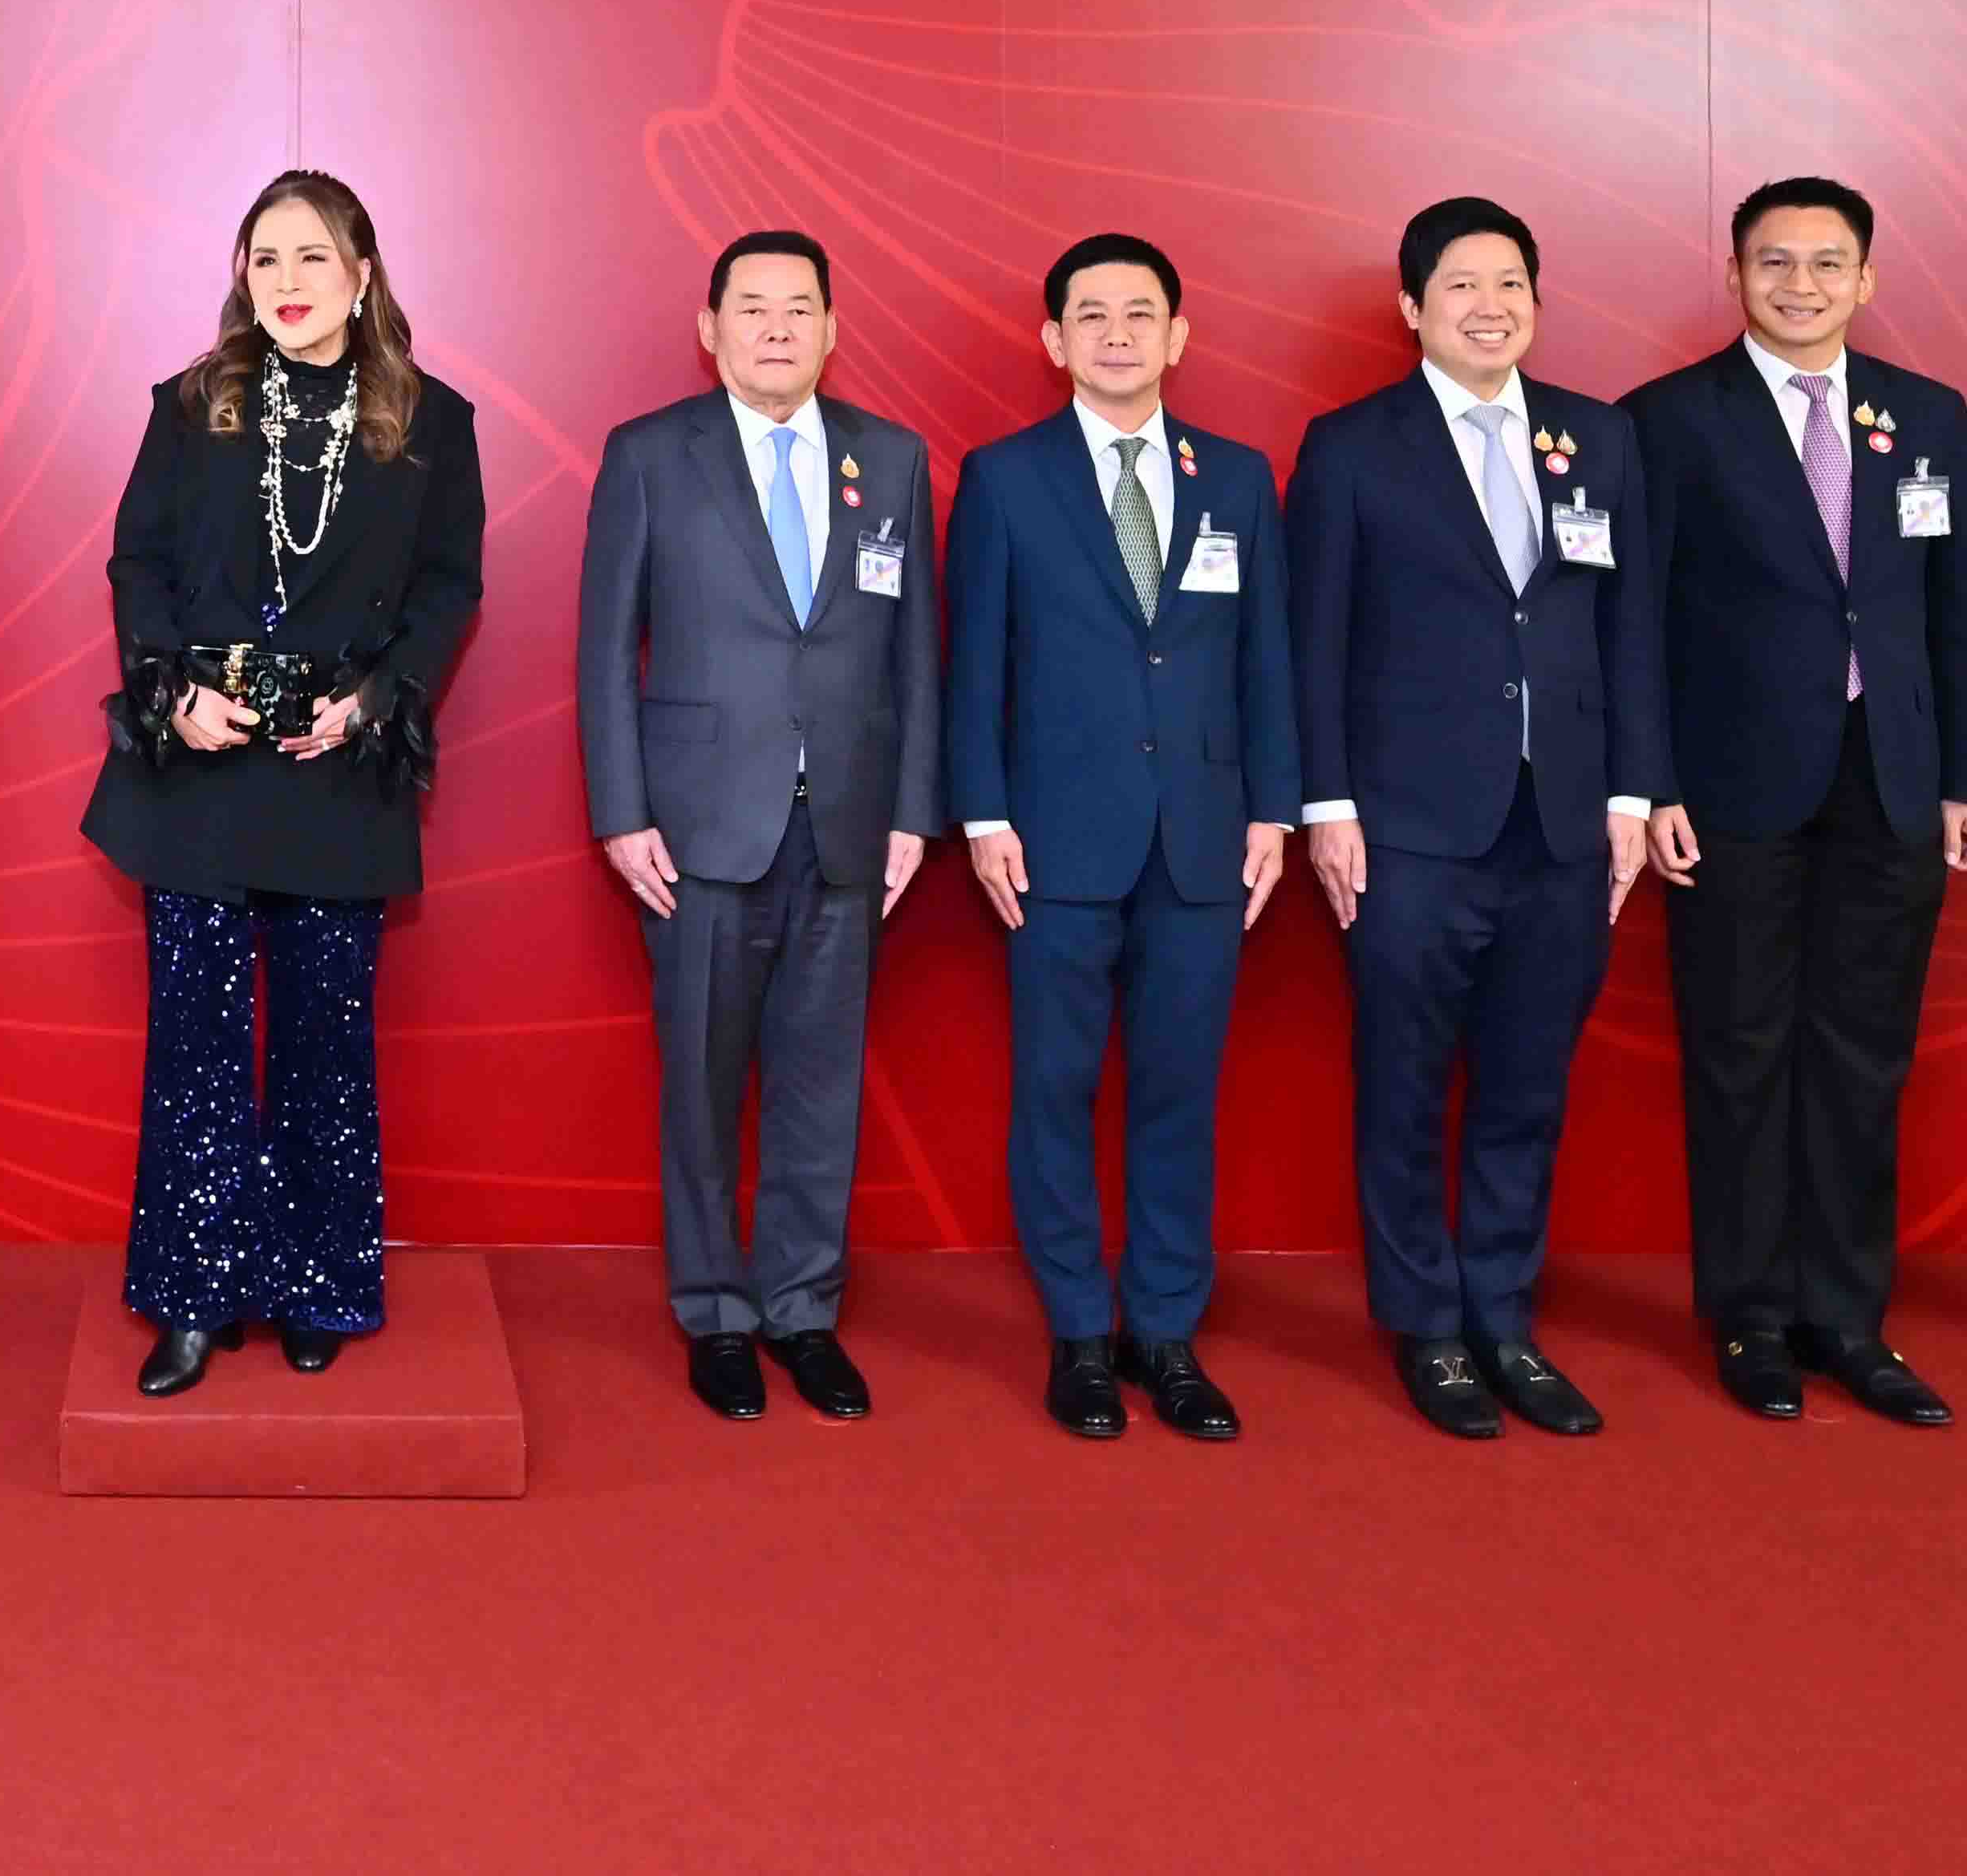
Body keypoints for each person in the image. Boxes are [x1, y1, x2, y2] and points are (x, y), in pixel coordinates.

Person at [87, 169, 487, 1397]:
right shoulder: (190, 405)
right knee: (197, 1045)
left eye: (314, 257)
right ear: (242, 277)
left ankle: (317, 1285)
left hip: (336, 768)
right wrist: (170, 689)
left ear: (362, 276)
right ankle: (196, 1297)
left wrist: (379, 700)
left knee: (324, 1041)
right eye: (267, 258)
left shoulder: (430, 419)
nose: (290, 281)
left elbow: (449, 588)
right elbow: (138, 563)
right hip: (203, 763)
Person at [1624, 178, 1967, 1430]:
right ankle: (1749, 1315)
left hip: (1892, 779)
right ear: (1735, 274)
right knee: (1738, 1051)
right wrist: (1651, 784)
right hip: (1730, 784)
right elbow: (1635, 625)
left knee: (1863, 1054)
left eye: (1827, 263)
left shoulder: (1926, 413)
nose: (1802, 284)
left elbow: (1958, 608)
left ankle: (1846, 1317)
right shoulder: (1670, 419)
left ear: (1866, 279)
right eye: (1775, 262)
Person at [1288, 194, 1668, 1440]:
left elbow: (1630, 629)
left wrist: (1629, 793)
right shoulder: (1352, 446)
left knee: (1527, 1086)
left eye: (1510, 283)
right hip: (1407, 826)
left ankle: (1503, 1316)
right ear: (1413, 308)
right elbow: (1314, 637)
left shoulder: (1597, 437)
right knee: (1402, 1085)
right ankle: (1427, 1326)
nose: (1489, 306)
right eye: (1461, 285)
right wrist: (1327, 804)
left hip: (1562, 824)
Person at [577, 230, 938, 1425]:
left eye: (799, 308)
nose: (777, 327)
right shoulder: (649, 454)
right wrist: (622, 812)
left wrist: (913, 811)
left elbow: (917, 652)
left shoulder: (891, 459)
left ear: (833, 329)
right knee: (700, 1082)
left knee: (820, 1085)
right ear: (710, 327)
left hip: (848, 824)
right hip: (697, 829)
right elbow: (603, 649)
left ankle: (802, 1310)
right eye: (752, 307)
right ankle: (717, 1314)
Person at [947, 232, 1300, 1442]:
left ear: (1178, 335)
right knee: (1053, 1089)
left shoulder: (1238, 478)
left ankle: (1165, 1330)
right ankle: (1079, 1334)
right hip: (1052, 842)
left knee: (1178, 1092)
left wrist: (1274, 809)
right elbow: (974, 660)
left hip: (1205, 839)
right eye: (1089, 314)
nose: (1115, 333)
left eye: (1139, 313)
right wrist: (983, 812)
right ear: (1053, 340)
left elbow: (1268, 658)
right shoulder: (1005, 477)